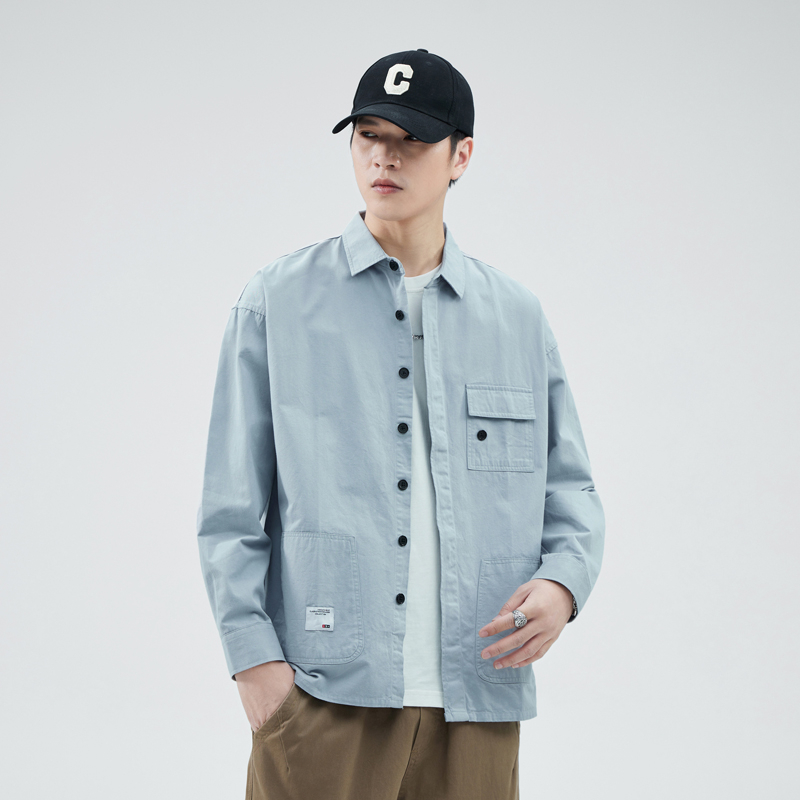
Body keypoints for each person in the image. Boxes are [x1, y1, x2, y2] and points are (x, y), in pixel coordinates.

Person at [195, 48, 605, 800]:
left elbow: (570, 487)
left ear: (461, 157)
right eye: (368, 136)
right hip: (323, 692)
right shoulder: (277, 303)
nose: (383, 157)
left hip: (477, 692)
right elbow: (230, 509)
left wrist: (562, 584)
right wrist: (255, 664)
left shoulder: (516, 318)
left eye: (411, 140)